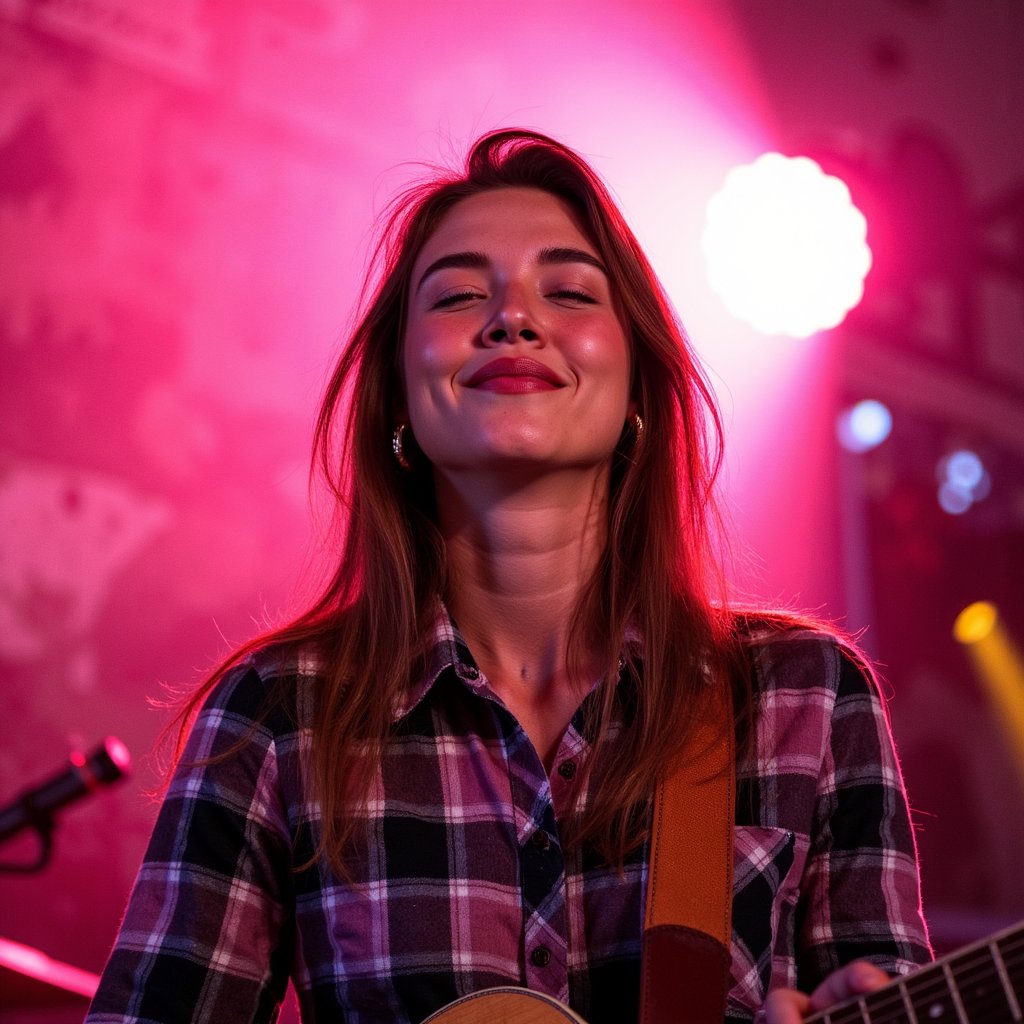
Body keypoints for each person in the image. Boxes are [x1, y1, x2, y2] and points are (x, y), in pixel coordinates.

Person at [85, 129, 931, 1024]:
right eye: (456, 296)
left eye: (567, 292)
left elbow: (882, 990)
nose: (513, 319)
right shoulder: (276, 712)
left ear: (639, 389)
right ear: (398, 400)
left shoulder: (800, 695)